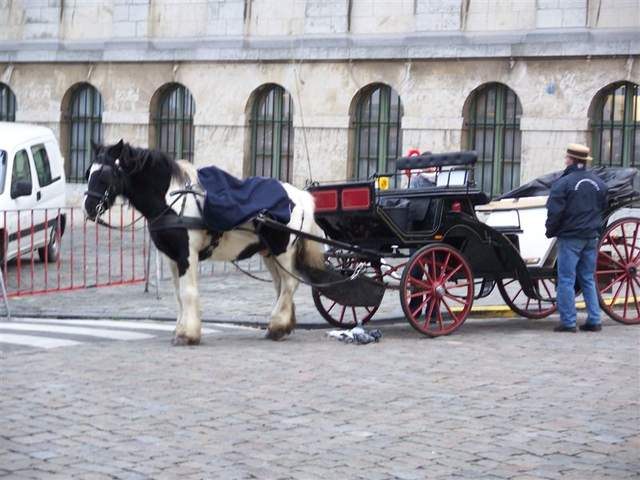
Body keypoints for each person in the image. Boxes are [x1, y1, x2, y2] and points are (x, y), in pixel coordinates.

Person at [545, 144, 608, 333]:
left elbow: (554, 212)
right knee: (587, 278)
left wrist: (550, 231)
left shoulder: (563, 183)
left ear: (570, 160)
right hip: (591, 235)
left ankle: (568, 321)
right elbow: (603, 208)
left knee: (566, 279)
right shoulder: (599, 184)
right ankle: (595, 319)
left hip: (571, 236)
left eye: (566, 158)